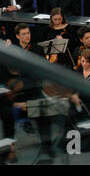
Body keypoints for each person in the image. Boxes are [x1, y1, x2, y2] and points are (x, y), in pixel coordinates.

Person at [4, 23, 54, 158]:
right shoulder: (13, 51)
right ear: (17, 36)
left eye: (28, 33)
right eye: (24, 34)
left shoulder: (37, 49)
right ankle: (9, 149)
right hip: (17, 91)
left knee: (44, 112)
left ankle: (46, 146)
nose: (28, 36)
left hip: (33, 88)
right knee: (7, 114)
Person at [64, 48, 90, 152]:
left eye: (87, 62)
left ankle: (85, 145)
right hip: (77, 100)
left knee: (85, 114)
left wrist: (78, 96)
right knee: (70, 113)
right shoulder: (78, 70)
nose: (84, 64)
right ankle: (73, 144)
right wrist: (73, 95)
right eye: (82, 61)